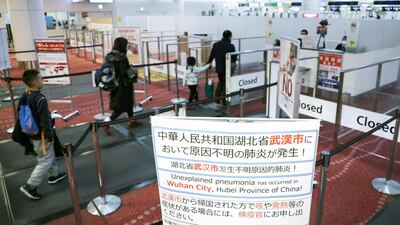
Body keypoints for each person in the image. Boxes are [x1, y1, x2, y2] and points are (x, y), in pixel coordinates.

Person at [14, 69, 66, 200]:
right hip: (41, 136)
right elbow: (45, 120)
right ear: (35, 82)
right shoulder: (40, 98)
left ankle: (54, 175)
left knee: (48, 155)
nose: (43, 81)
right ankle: (30, 186)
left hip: (30, 133)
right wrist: (49, 137)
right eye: (41, 79)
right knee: (45, 160)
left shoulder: (25, 95)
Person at [103, 37, 140, 135]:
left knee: (128, 103)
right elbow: (124, 72)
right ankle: (107, 123)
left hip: (114, 84)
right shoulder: (122, 57)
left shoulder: (109, 56)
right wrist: (134, 72)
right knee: (120, 107)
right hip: (124, 85)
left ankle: (132, 120)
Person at [206, 30, 237, 105]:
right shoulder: (231, 46)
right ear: (230, 36)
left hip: (219, 67)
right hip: (227, 68)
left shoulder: (216, 44)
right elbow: (234, 57)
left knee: (221, 81)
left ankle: (217, 97)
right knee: (224, 82)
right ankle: (223, 99)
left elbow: (212, 55)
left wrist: (208, 64)